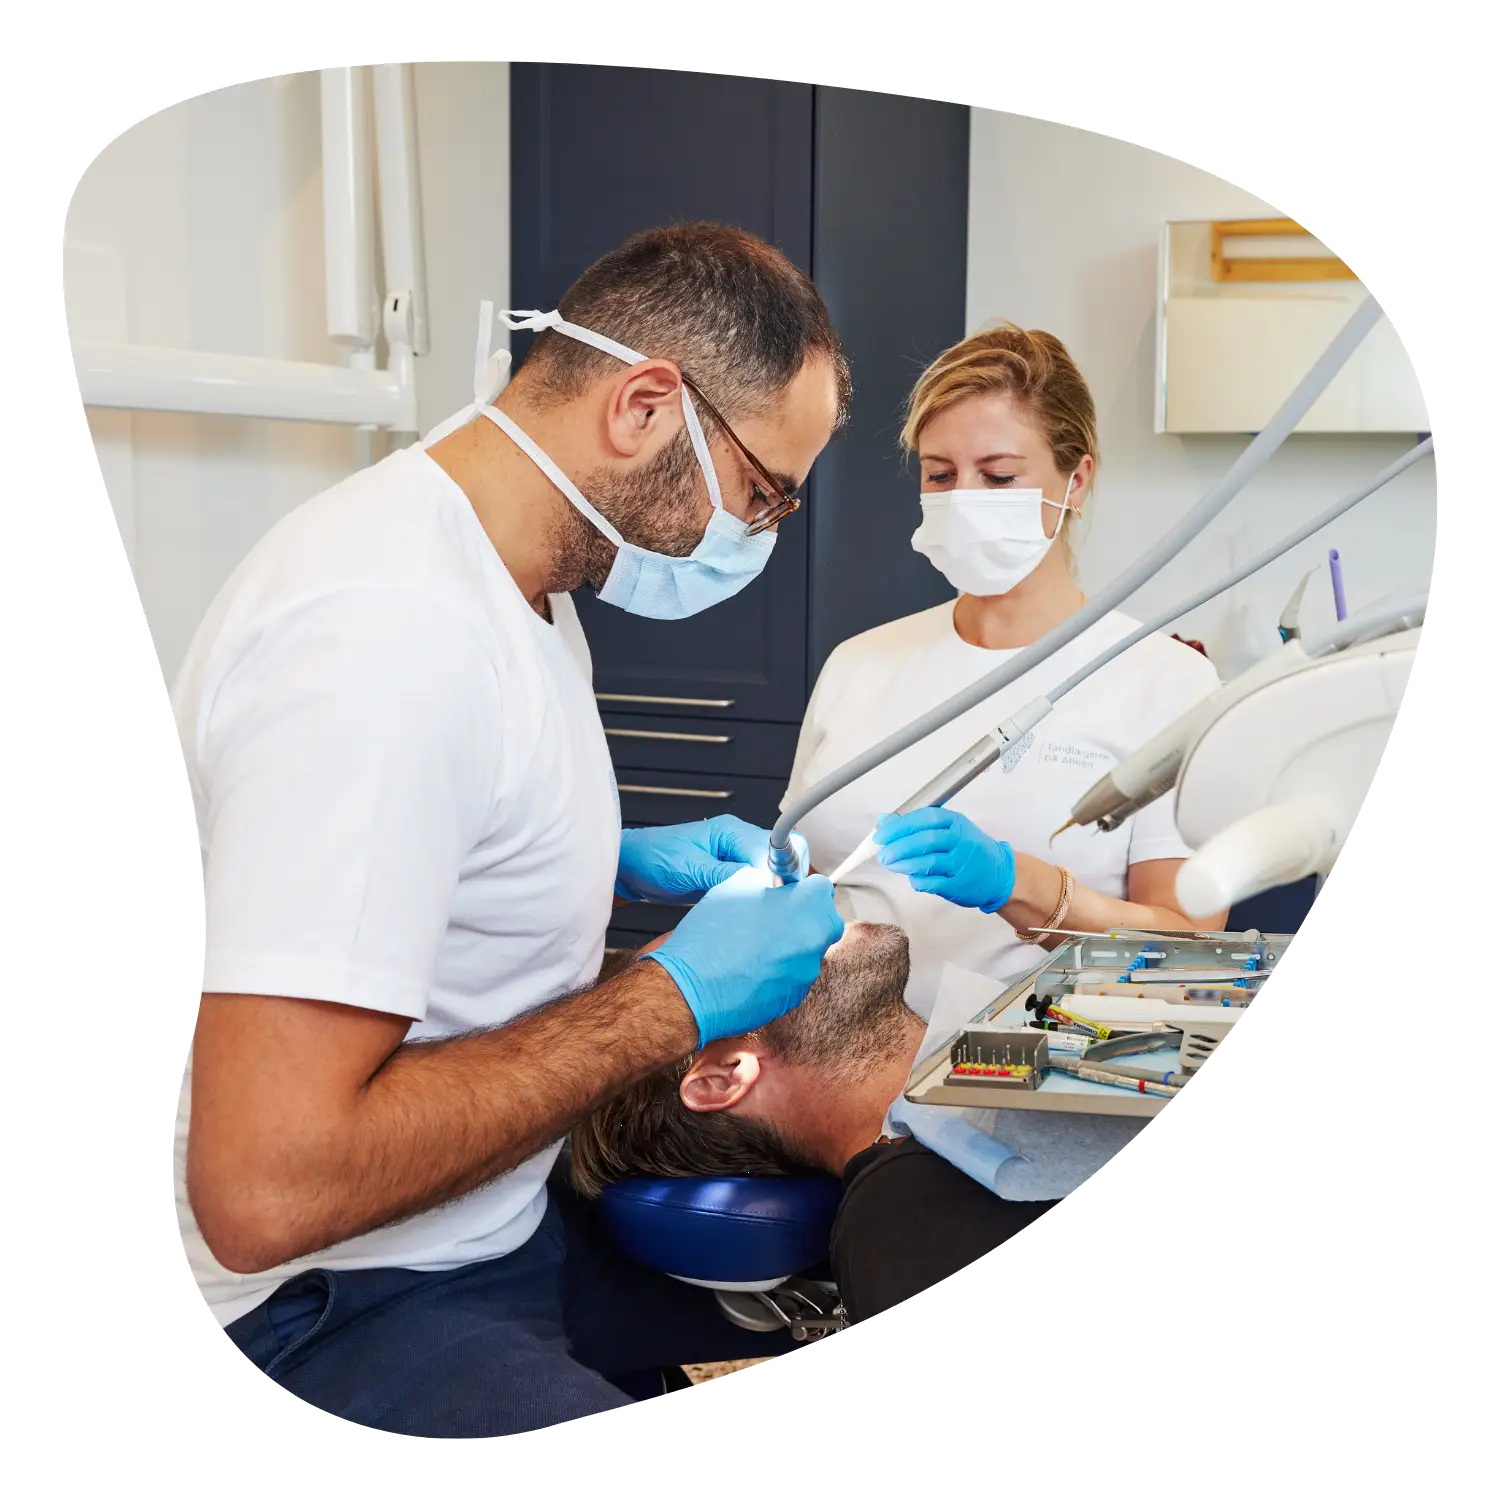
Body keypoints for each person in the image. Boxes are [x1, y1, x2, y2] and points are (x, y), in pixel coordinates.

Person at [172, 222, 853, 1439]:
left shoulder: (518, 568)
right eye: (762, 493)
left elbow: (424, 815)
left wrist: (598, 855)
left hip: (492, 1218)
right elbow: (266, 1188)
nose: (758, 534)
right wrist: (671, 1000)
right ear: (644, 407)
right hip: (333, 1295)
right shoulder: (388, 631)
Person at [782, 323, 1230, 1021]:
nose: (965, 498)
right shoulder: (859, 662)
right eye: (940, 474)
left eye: (998, 476)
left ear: (1077, 480)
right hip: (831, 1058)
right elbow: (803, 880)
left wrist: (1023, 886)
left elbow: (1190, 953)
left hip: (1025, 1064)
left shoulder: (1167, 683)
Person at [568, 923, 1058, 1325]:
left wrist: (1050, 900)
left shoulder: (1000, 1049)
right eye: (716, 953)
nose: (779, 912)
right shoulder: (908, 1221)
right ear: (724, 1078)